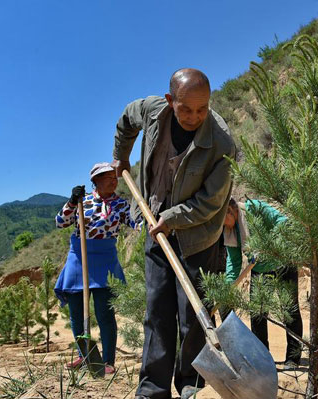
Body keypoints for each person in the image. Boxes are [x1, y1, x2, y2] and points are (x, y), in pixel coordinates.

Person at [111, 68, 236, 399]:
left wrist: (171, 218)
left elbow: (210, 203)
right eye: (186, 109)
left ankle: (190, 387)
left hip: (199, 238)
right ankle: (152, 390)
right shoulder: (153, 111)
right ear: (170, 101)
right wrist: (121, 157)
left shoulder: (222, 143)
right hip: (156, 226)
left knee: (192, 318)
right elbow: (126, 119)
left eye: (202, 109)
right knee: (157, 312)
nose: (195, 116)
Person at [54, 162, 141, 375]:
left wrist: (151, 223)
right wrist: (72, 201)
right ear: (95, 181)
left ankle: (108, 361)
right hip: (79, 259)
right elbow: (60, 223)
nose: (113, 180)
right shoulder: (82, 202)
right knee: (77, 313)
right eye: (108, 177)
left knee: (105, 314)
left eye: (114, 177)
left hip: (106, 262)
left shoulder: (121, 204)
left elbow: (135, 223)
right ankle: (83, 355)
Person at [223, 198, 303, 370]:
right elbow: (234, 262)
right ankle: (263, 359)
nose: (221, 225)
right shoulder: (229, 232)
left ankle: (293, 358)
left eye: (222, 219)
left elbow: (283, 223)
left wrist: (266, 245)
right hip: (260, 269)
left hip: (283, 261)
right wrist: (228, 288)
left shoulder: (255, 208)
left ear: (231, 211)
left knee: (289, 309)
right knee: (258, 312)